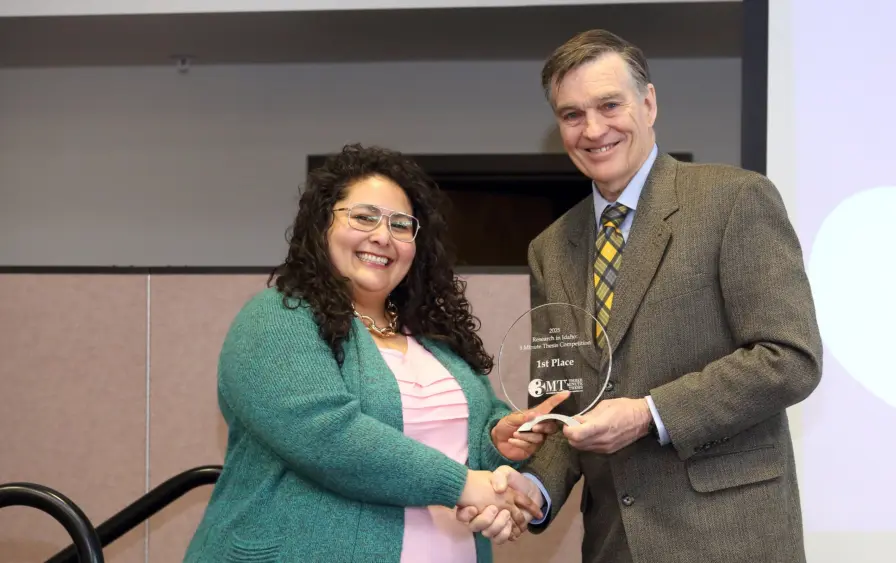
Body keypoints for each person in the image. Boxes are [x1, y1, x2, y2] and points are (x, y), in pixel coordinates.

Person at [458, 30, 823, 563]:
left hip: (730, 540)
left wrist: (649, 414)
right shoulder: (550, 249)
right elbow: (562, 407)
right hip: (615, 544)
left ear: (648, 103)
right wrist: (530, 492)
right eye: (572, 115)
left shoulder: (734, 200)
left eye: (609, 105)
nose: (594, 129)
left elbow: (790, 358)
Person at [182, 143, 567, 563]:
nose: (382, 236)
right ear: (321, 225)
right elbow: (330, 438)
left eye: (401, 225)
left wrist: (495, 445)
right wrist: (463, 484)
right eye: (363, 217)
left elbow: (455, 445)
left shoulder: (432, 336)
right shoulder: (278, 318)